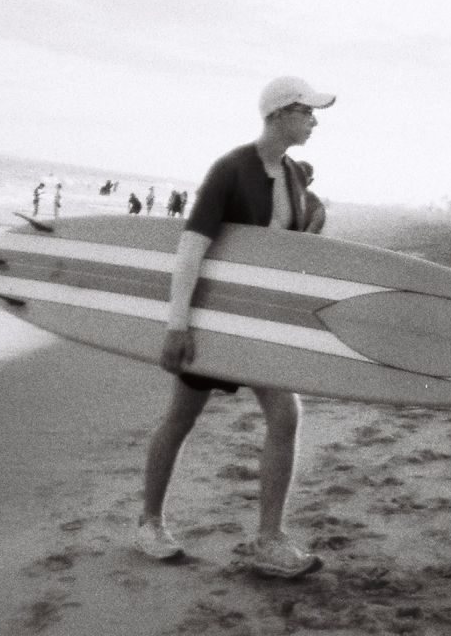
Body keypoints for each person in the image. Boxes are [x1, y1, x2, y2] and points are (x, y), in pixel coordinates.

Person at [137, 75, 335, 579]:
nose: (315, 121)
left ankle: (269, 538)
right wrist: (177, 325)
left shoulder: (293, 176)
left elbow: (278, 254)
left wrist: (311, 227)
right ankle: (149, 522)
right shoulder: (231, 168)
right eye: (307, 111)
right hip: (213, 319)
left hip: (259, 323)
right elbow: (191, 247)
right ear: (279, 114)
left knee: (286, 415)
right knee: (180, 419)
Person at [296, 161, 326, 234]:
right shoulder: (279, 197)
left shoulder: (317, 208)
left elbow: (309, 235)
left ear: (310, 181)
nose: (296, 179)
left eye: (301, 175)